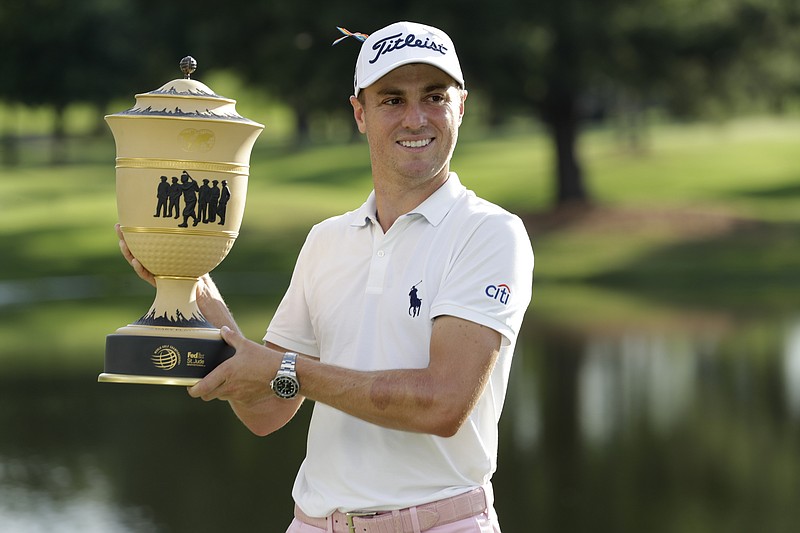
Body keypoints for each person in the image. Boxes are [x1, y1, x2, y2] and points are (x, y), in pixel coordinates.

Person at [118, 21, 533, 533]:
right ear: (359, 113)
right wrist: (196, 290)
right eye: (391, 100)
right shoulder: (327, 241)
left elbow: (442, 403)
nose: (416, 118)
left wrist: (281, 368)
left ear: (461, 107)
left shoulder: (490, 233)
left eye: (434, 96)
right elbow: (267, 410)